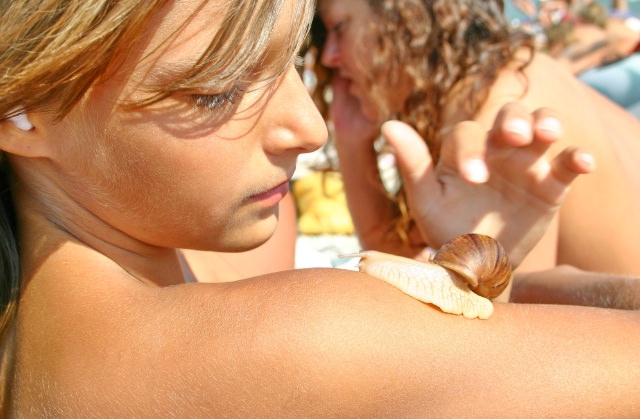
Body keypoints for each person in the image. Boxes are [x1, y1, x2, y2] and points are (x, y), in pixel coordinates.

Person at [1, 0, 640, 416]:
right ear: (19, 113)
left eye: (289, 62)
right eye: (217, 93)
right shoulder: (299, 341)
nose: (310, 127)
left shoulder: (41, 338)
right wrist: (530, 287)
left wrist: (487, 279)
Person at [315, 0, 640, 283]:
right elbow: (400, 260)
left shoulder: (499, 125)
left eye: (339, 27)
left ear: (407, 19)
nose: (329, 56)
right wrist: (350, 137)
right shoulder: (515, 69)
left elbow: (508, 329)